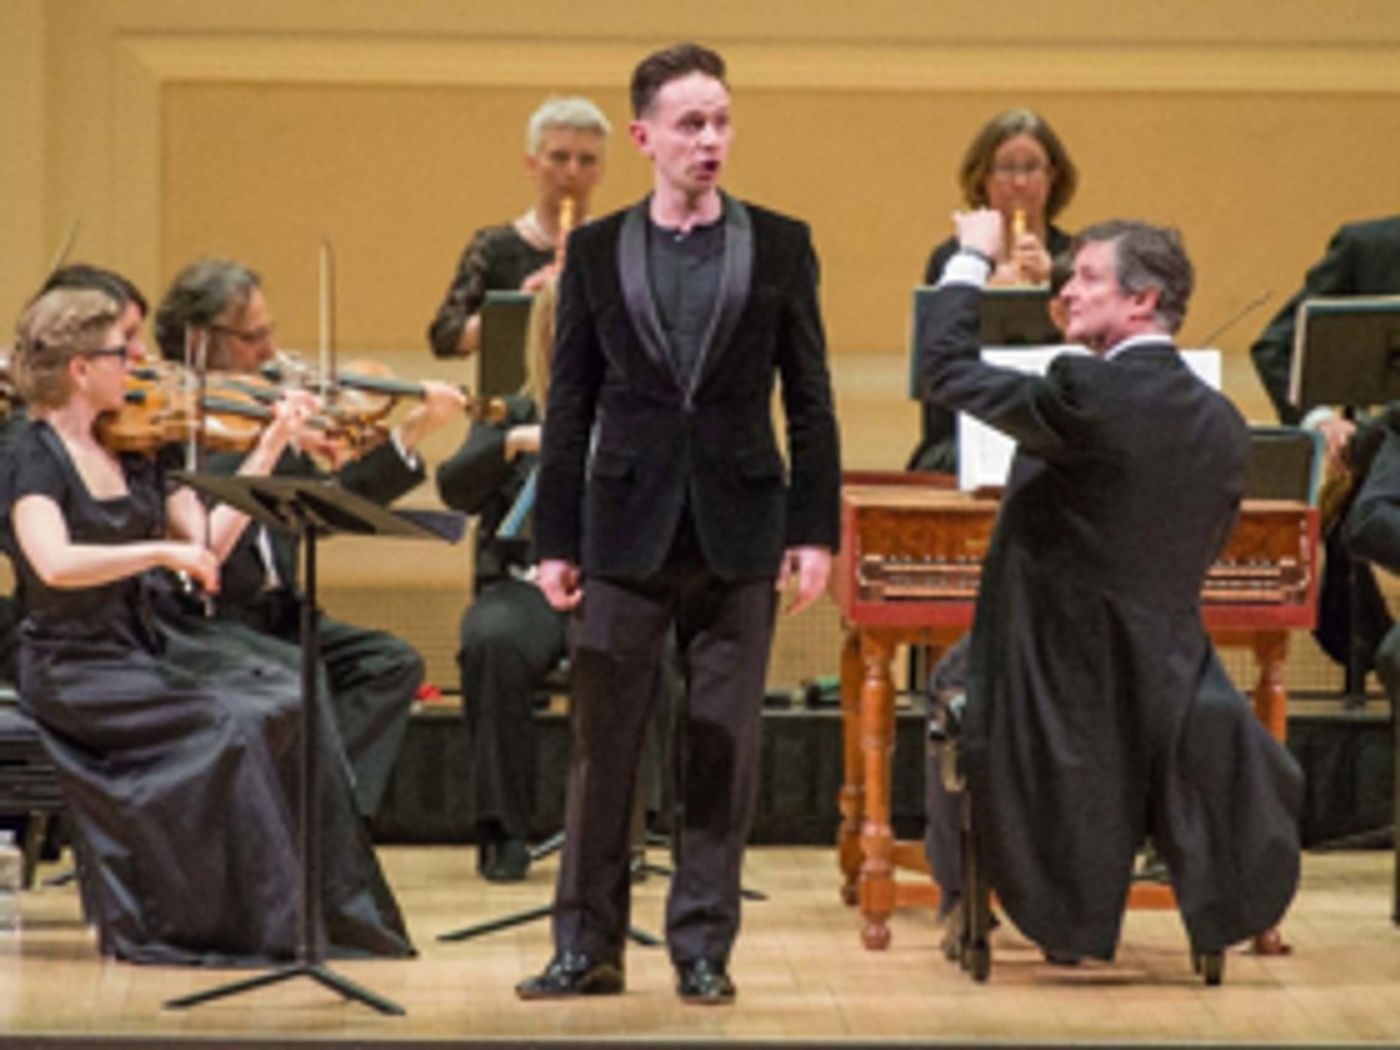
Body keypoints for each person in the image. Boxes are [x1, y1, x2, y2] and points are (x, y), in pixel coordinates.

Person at [516, 42, 841, 1005]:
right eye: (691, 123)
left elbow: (812, 401)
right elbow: (568, 405)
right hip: (621, 527)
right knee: (603, 748)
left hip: (741, 526)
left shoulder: (780, 242)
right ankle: (587, 948)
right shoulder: (601, 248)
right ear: (645, 135)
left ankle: (702, 946)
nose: (711, 139)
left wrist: (814, 530)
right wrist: (555, 542)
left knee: (720, 744)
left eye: (723, 121)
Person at [917, 212, 1302, 962]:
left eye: (1089, 277)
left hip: (1054, 681)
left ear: (1143, 301)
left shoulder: (1087, 392)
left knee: (949, 679)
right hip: (1172, 677)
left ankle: (963, 900)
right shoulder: (1225, 425)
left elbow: (944, 371)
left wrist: (968, 259)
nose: (1067, 290)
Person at [0, 286, 412, 964]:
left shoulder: (138, 451)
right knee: (233, 722)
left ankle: (319, 920)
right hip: (73, 667)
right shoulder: (30, 455)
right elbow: (54, 562)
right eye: (121, 353)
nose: (137, 362)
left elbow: (211, 548)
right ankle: (216, 925)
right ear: (79, 369)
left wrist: (273, 442)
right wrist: (158, 549)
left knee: (286, 701)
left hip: (139, 649)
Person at [154, 258, 466, 818]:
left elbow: (329, 504)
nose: (273, 352)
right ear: (201, 340)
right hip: (207, 620)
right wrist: (271, 443)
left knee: (390, 664)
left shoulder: (265, 411)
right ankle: (306, 827)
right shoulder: (178, 427)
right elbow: (211, 520)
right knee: (301, 675)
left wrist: (415, 430)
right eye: (255, 337)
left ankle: (328, 816)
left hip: (280, 611)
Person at [436, 281, 567, 882]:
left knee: (654, 647)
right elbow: (456, 486)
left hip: (620, 584)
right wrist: (513, 444)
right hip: (526, 585)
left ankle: (638, 828)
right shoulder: (511, 409)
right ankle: (503, 830)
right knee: (492, 641)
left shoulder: (643, 408)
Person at [1249, 217, 1400, 673]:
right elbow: (1276, 347)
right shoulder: (1370, 247)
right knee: (1338, 523)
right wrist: (1322, 420)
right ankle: (1374, 662)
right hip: (1383, 450)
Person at [910, 109, 1079, 472]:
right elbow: (937, 363)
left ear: (1053, 176)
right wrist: (978, 293)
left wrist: (1057, 282)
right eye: (1005, 168)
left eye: (1032, 167)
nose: (1018, 183)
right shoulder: (953, 257)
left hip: (1051, 425)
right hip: (963, 428)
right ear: (982, 177)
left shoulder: (1078, 256)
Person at [428, 97, 611, 359]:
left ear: (600, 172)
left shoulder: (618, 249)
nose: (572, 172)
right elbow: (445, 337)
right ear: (531, 165)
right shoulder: (493, 247)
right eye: (559, 157)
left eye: (586, 160)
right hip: (513, 397)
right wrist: (518, 308)